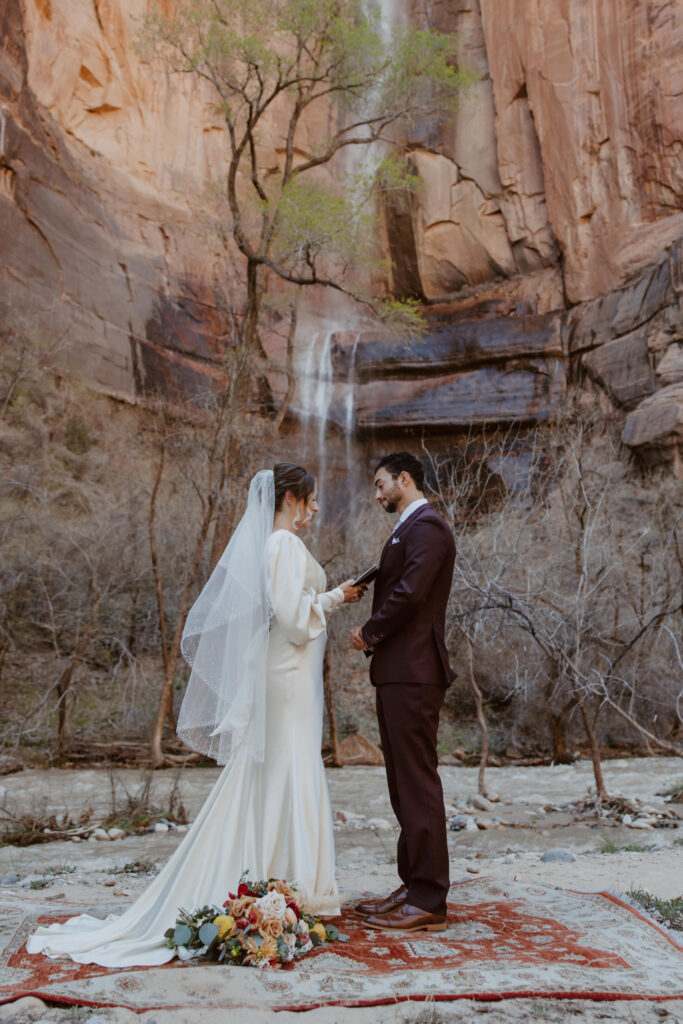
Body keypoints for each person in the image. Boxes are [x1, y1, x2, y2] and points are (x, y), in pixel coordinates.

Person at [27, 463, 363, 968]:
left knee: (280, 769)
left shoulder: (272, 544)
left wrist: (323, 598)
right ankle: (291, 884)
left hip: (289, 674)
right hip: (289, 674)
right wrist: (340, 596)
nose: (316, 508)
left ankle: (282, 880)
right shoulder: (284, 545)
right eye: (311, 498)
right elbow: (295, 621)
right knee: (289, 767)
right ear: (291, 498)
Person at [350, 451, 455, 933]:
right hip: (398, 672)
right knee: (402, 783)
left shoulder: (428, 526)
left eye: (380, 485)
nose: (377, 495)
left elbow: (411, 592)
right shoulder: (408, 528)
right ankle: (412, 885)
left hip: (414, 672)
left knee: (417, 781)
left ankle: (430, 897)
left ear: (404, 478)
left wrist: (370, 631)